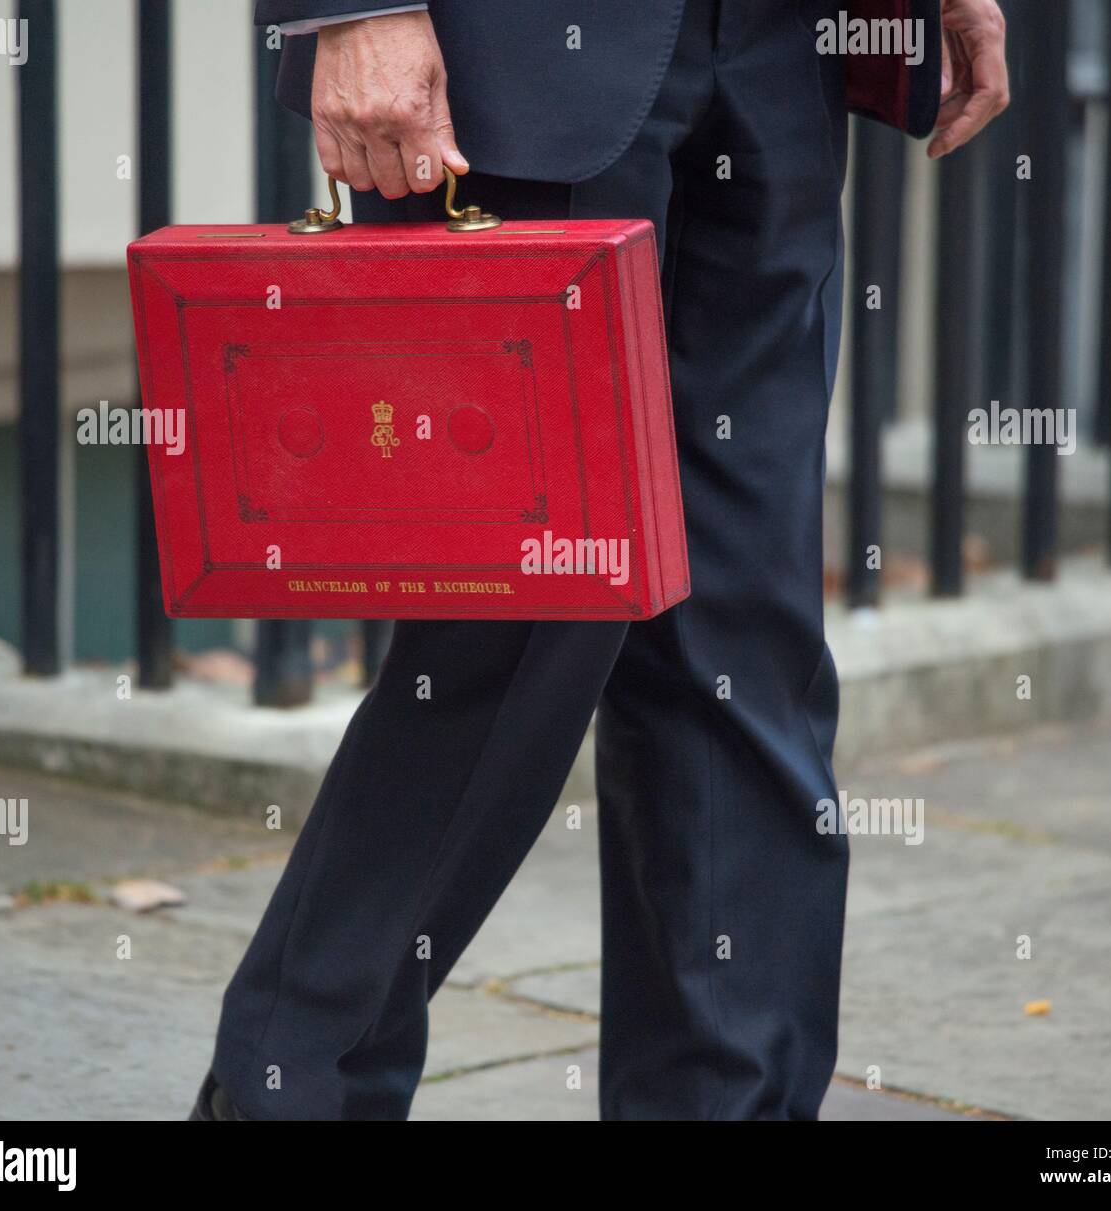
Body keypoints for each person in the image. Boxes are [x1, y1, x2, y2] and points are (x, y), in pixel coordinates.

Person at [192, 0, 1009, 1121]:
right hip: (516, 58)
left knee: (743, 630)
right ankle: (288, 1091)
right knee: (510, 632)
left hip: (785, 45)